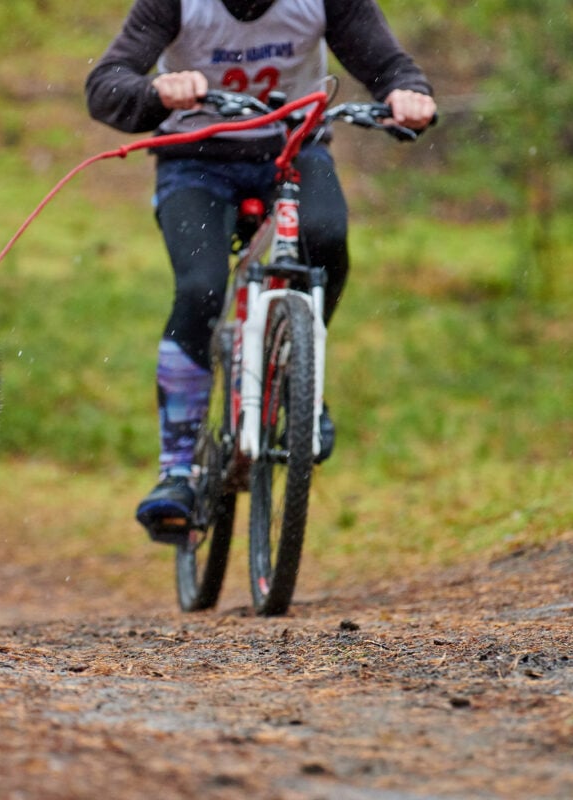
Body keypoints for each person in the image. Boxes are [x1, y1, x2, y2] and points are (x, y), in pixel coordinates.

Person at [85, 0, 436, 540]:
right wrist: (156, 93)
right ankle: (177, 469)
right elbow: (106, 85)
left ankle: (302, 380)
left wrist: (405, 95)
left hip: (293, 152)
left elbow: (387, 64)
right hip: (194, 158)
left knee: (326, 240)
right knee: (201, 289)